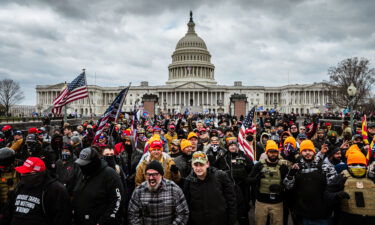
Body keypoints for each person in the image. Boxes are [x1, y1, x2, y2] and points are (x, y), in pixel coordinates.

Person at [3, 157, 72, 225]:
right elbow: (9, 211)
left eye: (26, 173)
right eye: (22, 173)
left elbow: (63, 218)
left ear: (37, 173)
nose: (22, 175)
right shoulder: (21, 186)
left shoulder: (55, 190)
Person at [284, 140, 333, 224]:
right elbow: (288, 186)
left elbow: (332, 186)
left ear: (314, 151)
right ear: (300, 153)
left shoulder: (325, 166)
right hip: (302, 214)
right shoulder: (296, 167)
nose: (307, 153)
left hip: (321, 214)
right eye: (304, 151)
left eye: (310, 150)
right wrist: (290, 175)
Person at [73, 147, 124, 225]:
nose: (82, 167)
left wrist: (103, 222)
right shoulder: (82, 173)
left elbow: (117, 201)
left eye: (85, 164)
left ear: (93, 162)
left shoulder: (110, 174)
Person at [128, 160, 189, 225]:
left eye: (154, 174)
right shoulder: (139, 191)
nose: (151, 178)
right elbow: (132, 215)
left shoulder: (174, 189)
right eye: (148, 174)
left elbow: (183, 213)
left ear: (161, 175)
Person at [184, 151, 237, 225]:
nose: (198, 168)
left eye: (201, 164)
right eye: (196, 165)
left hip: (220, 220)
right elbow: (187, 204)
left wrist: (231, 220)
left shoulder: (220, 176)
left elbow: (231, 200)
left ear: (207, 164)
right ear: (192, 165)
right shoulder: (189, 181)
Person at [249, 140, 289, 225]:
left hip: (277, 203)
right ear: (267, 153)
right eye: (271, 152)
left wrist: (282, 187)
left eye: (275, 152)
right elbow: (248, 180)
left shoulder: (283, 167)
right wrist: (257, 178)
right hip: (261, 202)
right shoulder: (259, 165)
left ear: (278, 153)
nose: (273, 154)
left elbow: (289, 183)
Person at [330, 151, 375, 225]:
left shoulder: (372, 177)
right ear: (348, 165)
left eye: (361, 165)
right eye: (354, 164)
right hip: (348, 219)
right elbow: (328, 194)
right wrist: (338, 195)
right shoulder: (342, 177)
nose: (358, 167)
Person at [216, 138, 254, 225]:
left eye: (234, 145)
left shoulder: (244, 156)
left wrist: (247, 178)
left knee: (243, 210)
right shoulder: (223, 157)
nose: (232, 147)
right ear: (227, 147)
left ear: (237, 146)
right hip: (228, 188)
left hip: (242, 187)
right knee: (230, 209)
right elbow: (216, 168)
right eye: (230, 145)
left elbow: (251, 168)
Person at [0, 148, 18, 213]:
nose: (2, 169)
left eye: (4, 167)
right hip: (3, 206)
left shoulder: (19, 170)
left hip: (16, 205)